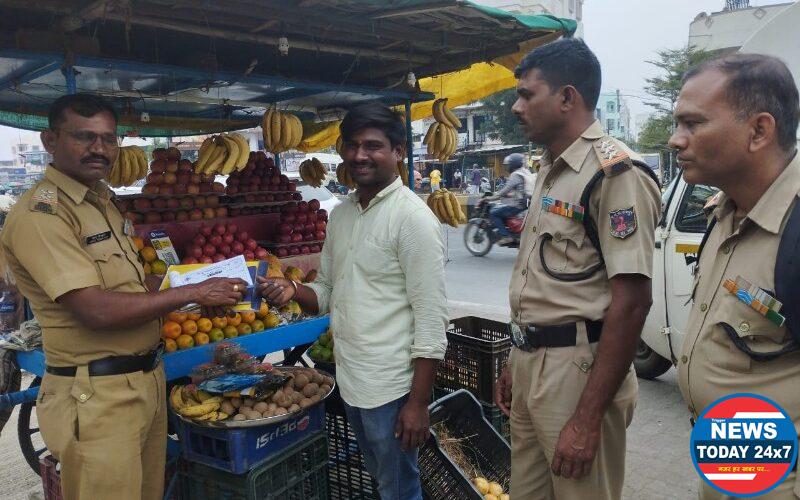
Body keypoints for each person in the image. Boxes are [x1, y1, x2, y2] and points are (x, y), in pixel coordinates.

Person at [0, 93, 247, 500]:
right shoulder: (42, 214)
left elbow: (133, 288)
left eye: (108, 139)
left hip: (143, 382)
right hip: (98, 397)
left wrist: (197, 287)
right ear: (50, 141)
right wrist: (194, 290)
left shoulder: (101, 203)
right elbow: (95, 308)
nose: (99, 149)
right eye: (84, 137)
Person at [493, 38, 660, 499]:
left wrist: (587, 419)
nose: (515, 106)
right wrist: (515, 359)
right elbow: (540, 285)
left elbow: (631, 303)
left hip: (578, 371)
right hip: (532, 365)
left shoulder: (614, 173)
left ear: (568, 97)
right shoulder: (551, 167)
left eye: (528, 94)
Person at [258, 103, 448, 500]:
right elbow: (327, 290)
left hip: (391, 388)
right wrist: (295, 291)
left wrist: (418, 403)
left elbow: (431, 321)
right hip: (350, 379)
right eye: (353, 145)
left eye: (373, 146)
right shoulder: (341, 216)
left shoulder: (412, 218)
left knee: (399, 488)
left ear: (397, 152)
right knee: (383, 481)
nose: (360, 155)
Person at [670, 54, 800, 499]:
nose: (675, 140)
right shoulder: (723, 212)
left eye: (692, 124)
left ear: (759, 131)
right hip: (730, 472)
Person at [483, 153, 535, 245]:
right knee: (502, 207)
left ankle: (506, 236)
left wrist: (490, 198)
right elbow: (520, 190)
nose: (507, 167)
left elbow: (504, 191)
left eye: (508, 165)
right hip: (527, 203)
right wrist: (507, 196)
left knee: (494, 212)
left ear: (513, 164)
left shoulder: (515, 175)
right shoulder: (525, 172)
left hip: (518, 205)